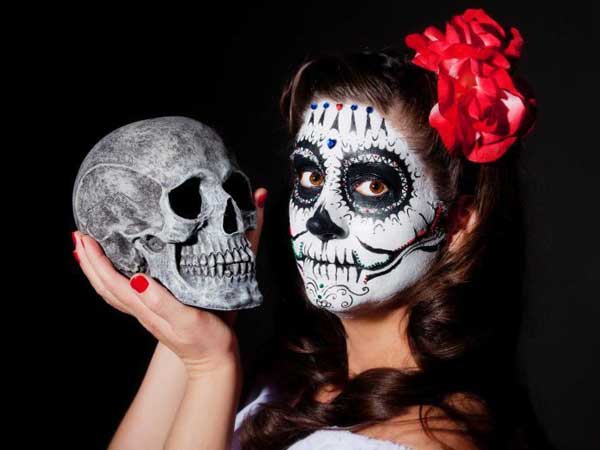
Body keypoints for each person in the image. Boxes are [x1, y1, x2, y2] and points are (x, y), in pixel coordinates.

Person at [71, 8, 550, 450]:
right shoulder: (302, 387)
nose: (321, 218)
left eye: (372, 185)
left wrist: (210, 367)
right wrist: (196, 322)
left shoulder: (428, 441)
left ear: (459, 222)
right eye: (311, 178)